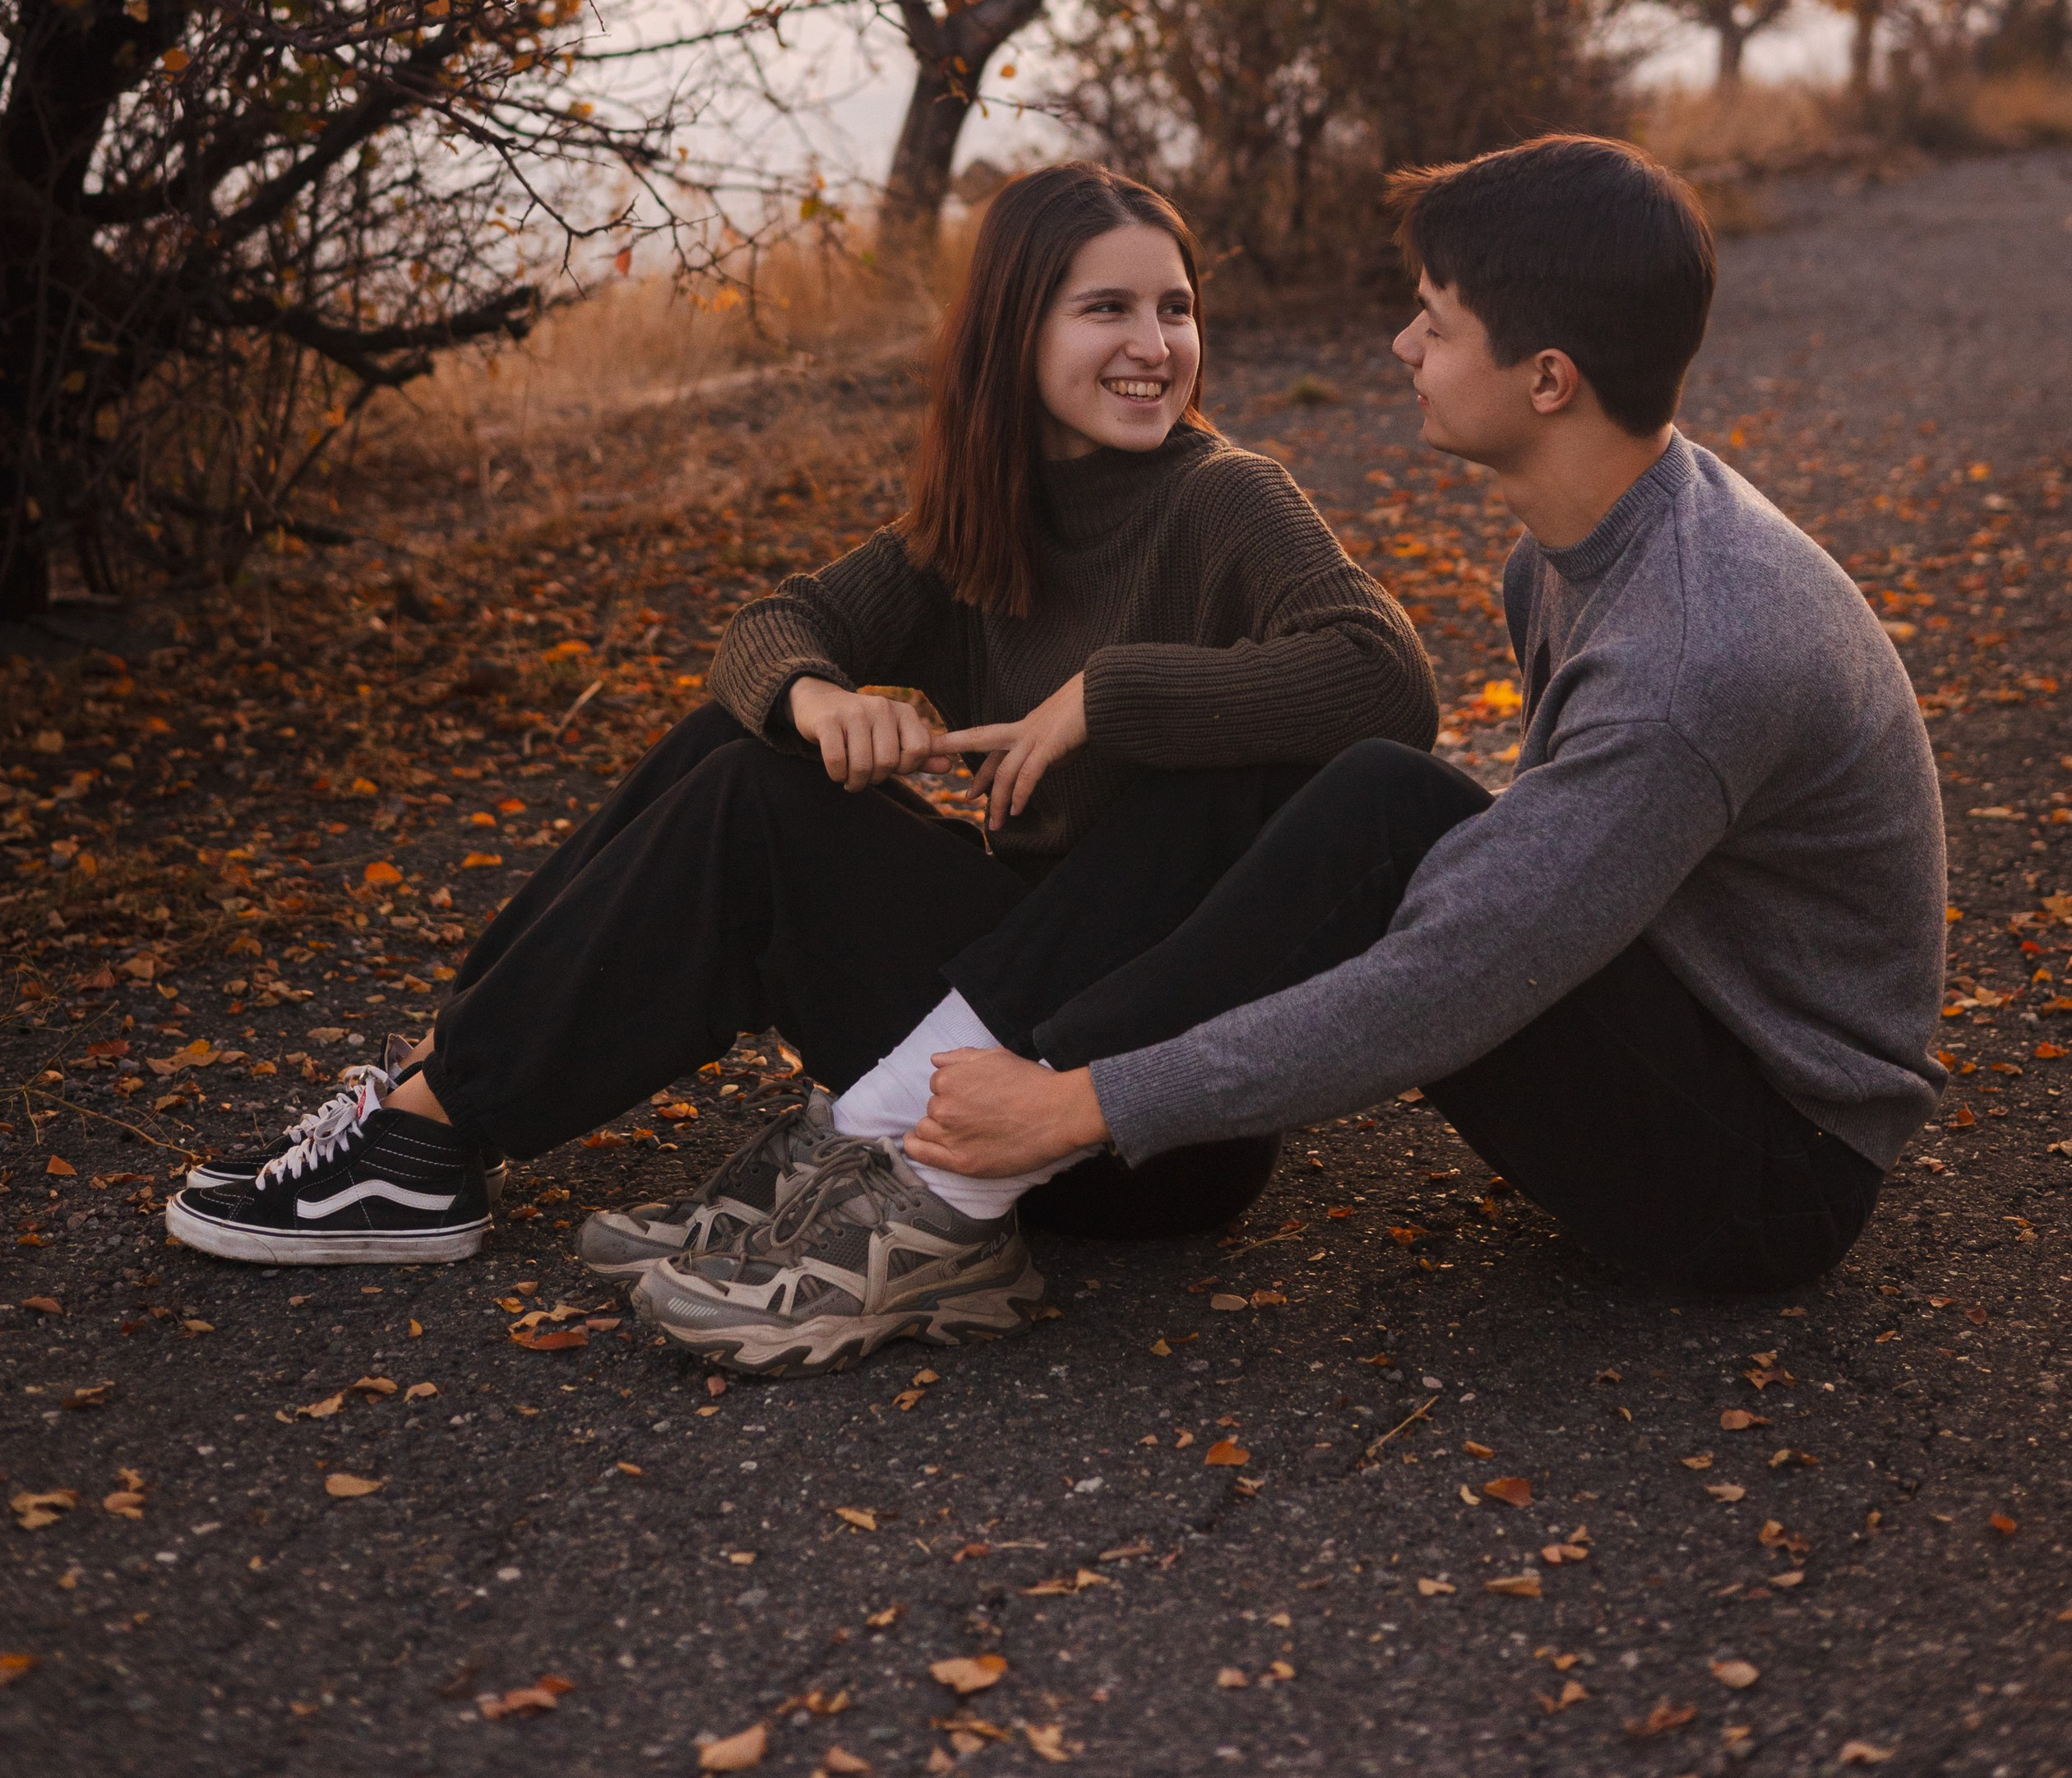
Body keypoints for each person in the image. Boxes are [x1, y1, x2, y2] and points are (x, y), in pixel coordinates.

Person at [629, 135, 1946, 1368]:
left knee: (1376, 806)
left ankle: (949, 1171)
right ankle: (921, 1146)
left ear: (1548, 379)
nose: (1400, 342)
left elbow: (1452, 980)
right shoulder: (1581, 551)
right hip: (1679, 1036)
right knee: (1372, 797)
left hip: (1764, 1174)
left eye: (1435, 320)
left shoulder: (1694, 649)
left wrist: (1087, 1107)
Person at [164, 162, 1436, 1282]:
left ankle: (433, 1130)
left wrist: (1112, 695)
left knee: (754, 812)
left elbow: (1388, 682)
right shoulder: (984, 527)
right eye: (1106, 308)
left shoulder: (1226, 499)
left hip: (1126, 1118)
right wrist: (822, 699)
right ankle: (434, 1087)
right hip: (996, 1028)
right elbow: (766, 630)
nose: (1153, 342)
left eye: (1175, 307)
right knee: (744, 741)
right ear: (1012, 332)